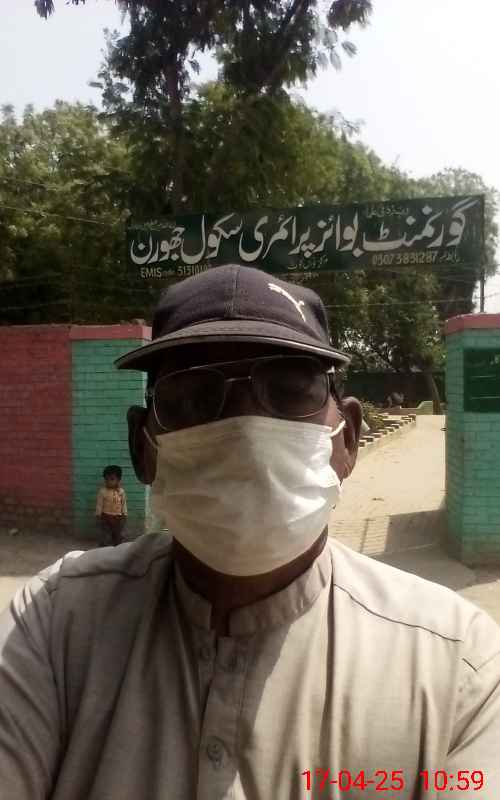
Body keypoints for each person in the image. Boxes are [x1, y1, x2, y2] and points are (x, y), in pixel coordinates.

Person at [0, 263, 499, 799]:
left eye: (289, 390)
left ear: (348, 439)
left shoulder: (457, 668)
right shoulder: (55, 625)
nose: (245, 433)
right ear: (143, 447)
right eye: (192, 396)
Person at [95, 464, 128, 546]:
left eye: (112, 479)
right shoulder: (102, 491)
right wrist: (98, 515)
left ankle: (117, 547)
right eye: (106, 479)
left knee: (118, 535)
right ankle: (104, 548)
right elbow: (99, 504)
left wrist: (125, 514)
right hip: (105, 517)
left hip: (118, 518)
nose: (108, 481)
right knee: (105, 535)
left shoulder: (121, 492)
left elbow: (123, 503)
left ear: (118, 480)